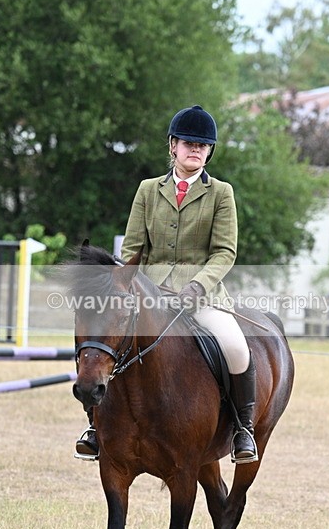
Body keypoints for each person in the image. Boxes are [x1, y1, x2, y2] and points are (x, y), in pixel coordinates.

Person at [75, 104, 258, 464]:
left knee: (236, 347)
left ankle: (242, 428)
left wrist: (197, 287)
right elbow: (132, 248)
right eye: (188, 142)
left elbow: (224, 253)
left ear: (209, 151)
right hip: (148, 293)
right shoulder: (147, 190)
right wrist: (125, 284)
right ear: (172, 145)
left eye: (202, 145)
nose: (195, 149)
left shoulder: (222, 193)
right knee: (105, 344)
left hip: (200, 296)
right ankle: (97, 427)